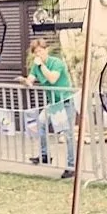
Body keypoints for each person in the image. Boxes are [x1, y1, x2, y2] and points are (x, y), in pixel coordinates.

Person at [26, 37, 76, 176]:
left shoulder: (56, 63)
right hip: (52, 103)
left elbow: (52, 79)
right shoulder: (36, 66)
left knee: (68, 135)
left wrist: (42, 65)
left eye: (40, 51)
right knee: (41, 123)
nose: (38, 55)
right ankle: (45, 155)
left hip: (65, 102)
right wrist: (25, 81)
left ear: (46, 50)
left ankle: (71, 167)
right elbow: (31, 80)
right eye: (36, 53)